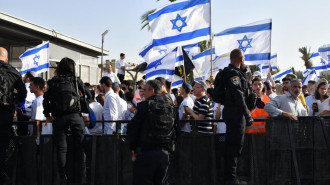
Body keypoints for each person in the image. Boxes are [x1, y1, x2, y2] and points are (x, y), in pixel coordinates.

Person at [43, 57, 90, 185]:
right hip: (75, 116)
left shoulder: (53, 82)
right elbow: (89, 95)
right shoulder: (75, 80)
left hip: (59, 118)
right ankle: (81, 179)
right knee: (80, 147)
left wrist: (47, 114)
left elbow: (45, 100)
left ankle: (62, 179)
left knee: (61, 149)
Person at [127, 79, 176, 185]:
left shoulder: (145, 106)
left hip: (146, 154)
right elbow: (176, 130)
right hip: (165, 154)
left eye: (144, 90)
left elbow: (133, 128)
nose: (142, 92)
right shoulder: (170, 107)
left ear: (152, 91)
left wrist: (133, 148)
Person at [219, 49, 253, 185]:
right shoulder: (234, 74)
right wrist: (247, 115)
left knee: (232, 146)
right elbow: (239, 96)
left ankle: (230, 177)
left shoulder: (233, 72)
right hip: (236, 114)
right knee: (235, 147)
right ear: (242, 58)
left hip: (231, 112)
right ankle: (231, 179)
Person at [0, 47, 27, 185]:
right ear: (5, 58)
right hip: (5, 113)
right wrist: (14, 99)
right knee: (3, 147)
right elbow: (23, 94)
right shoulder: (13, 72)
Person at [29, 77, 46, 143]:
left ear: (37, 87)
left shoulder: (38, 101)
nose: (29, 87)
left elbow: (38, 121)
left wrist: (36, 138)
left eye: (31, 85)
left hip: (39, 139)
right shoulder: (41, 99)